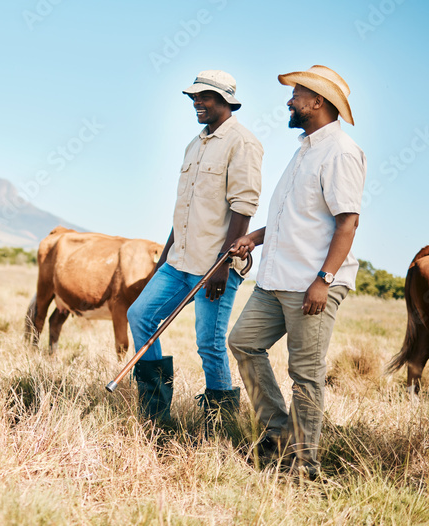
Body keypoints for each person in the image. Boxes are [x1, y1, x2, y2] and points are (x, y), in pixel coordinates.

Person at [227, 65, 366, 479]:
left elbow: (347, 222)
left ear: (317, 102)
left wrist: (323, 281)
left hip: (311, 283)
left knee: (305, 377)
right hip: (274, 279)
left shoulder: (340, 151)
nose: (289, 101)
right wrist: (255, 237)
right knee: (244, 343)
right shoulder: (304, 148)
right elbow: (296, 217)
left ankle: (303, 467)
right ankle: (277, 435)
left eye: (297, 95)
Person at [126, 70, 262, 428]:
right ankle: (156, 415)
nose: (197, 103)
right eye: (194, 98)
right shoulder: (194, 144)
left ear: (225, 100)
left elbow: (243, 207)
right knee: (140, 315)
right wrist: (162, 260)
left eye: (204, 97)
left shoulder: (242, 143)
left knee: (210, 345)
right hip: (178, 261)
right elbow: (184, 212)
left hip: (213, 266)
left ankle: (220, 426)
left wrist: (222, 263)